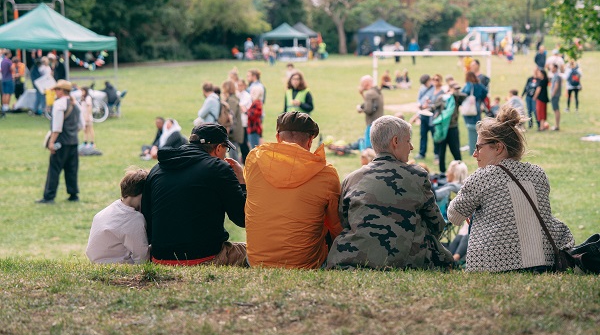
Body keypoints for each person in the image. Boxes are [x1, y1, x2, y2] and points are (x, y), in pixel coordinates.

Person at [447, 107, 575, 272]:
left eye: (478, 147)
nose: (474, 154)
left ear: (498, 147)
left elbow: (454, 216)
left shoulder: (482, 177)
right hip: (544, 262)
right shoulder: (538, 174)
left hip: (497, 265)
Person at [326, 115, 454, 270]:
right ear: (395, 142)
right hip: (406, 261)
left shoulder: (351, 179)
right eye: (408, 141)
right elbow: (437, 225)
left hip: (352, 258)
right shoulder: (417, 176)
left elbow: (344, 221)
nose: (411, 147)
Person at [245, 112, 343, 269]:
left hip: (257, 261)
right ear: (310, 141)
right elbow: (336, 225)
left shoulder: (254, 160)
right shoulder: (326, 173)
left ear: (278, 137)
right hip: (306, 264)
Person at [142, 123, 247, 266]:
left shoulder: (158, 169)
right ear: (218, 148)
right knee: (262, 252)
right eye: (226, 149)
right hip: (204, 256)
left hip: (159, 256)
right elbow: (242, 218)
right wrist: (241, 180)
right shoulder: (218, 168)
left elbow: (146, 217)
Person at [85, 168, 150, 264]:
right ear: (142, 194)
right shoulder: (133, 219)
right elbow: (143, 259)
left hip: (97, 263)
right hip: (120, 267)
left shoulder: (109, 210)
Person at [37, 80, 85, 204]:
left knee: (54, 169)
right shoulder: (76, 104)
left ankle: (49, 196)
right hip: (73, 141)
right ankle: (73, 194)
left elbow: (57, 127)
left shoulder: (59, 104)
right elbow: (81, 125)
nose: (55, 92)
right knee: (71, 169)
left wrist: (51, 142)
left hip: (61, 142)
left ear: (62, 91)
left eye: (57, 90)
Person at [433, 82, 464, 173]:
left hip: (453, 127)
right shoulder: (442, 98)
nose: (457, 90)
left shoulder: (457, 98)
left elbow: (464, 96)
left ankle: (460, 169)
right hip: (443, 128)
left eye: (458, 89)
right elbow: (435, 107)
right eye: (455, 89)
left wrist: (454, 94)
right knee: (441, 151)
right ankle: (442, 171)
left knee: (455, 150)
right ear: (449, 88)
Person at [461, 71, 489, 155]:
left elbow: (464, 93)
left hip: (469, 107)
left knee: (470, 127)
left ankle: (472, 146)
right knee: (477, 126)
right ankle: (477, 144)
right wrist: (480, 98)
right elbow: (485, 91)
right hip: (477, 106)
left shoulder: (469, 85)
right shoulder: (479, 85)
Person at [357, 75, 384, 150]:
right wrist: (362, 94)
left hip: (371, 123)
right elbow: (370, 103)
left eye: (362, 83)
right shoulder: (378, 91)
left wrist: (360, 109)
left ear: (366, 83)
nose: (361, 85)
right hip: (380, 122)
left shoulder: (369, 94)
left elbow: (368, 110)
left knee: (369, 147)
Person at [415, 74, 436, 159]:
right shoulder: (422, 88)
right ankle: (422, 153)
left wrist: (429, 104)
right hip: (423, 114)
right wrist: (421, 105)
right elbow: (418, 100)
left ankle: (436, 154)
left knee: (434, 135)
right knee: (423, 135)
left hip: (432, 115)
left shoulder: (434, 88)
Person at [549, 63, 562, 131]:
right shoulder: (555, 76)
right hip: (555, 95)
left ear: (555, 68)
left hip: (555, 95)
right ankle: (556, 125)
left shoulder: (557, 76)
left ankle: (557, 125)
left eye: (552, 67)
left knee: (556, 110)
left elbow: (556, 86)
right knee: (555, 110)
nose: (551, 69)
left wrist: (553, 94)